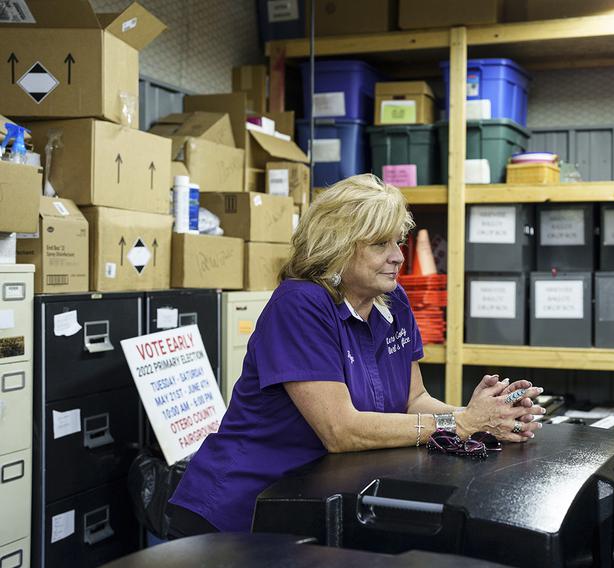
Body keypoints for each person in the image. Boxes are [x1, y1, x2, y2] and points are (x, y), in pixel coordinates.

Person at [167, 174, 545, 536]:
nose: (398, 256)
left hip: (314, 502)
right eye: (381, 244)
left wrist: (486, 419)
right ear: (337, 246)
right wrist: (458, 423)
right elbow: (341, 430)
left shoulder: (393, 300)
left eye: (399, 242)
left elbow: (413, 400)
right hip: (240, 511)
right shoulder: (299, 305)